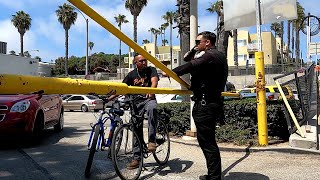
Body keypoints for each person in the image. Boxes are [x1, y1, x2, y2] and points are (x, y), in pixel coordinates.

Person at [165, 31, 228, 180]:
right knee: (207, 142)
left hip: (205, 105)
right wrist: (195, 48)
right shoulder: (216, 56)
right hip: (211, 102)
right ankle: (213, 175)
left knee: (208, 143)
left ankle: (214, 177)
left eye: (198, 41)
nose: (195, 43)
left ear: (207, 42)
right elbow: (189, 58)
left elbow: (191, 64)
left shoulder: (209, 56)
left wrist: (170, 71)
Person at [108, 53, 159, 170]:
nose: (144, 62)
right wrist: (109, 98)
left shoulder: (152, 70)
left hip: (148, 99)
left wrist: (152, 91)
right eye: (141, 61)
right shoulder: (131, 75)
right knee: (136, 129)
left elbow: (154, 81)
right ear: (135, 63)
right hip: (135, 104)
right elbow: (122, 88)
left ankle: (152, 140)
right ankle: (137, 158)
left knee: (152, 108)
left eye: (145, 60)